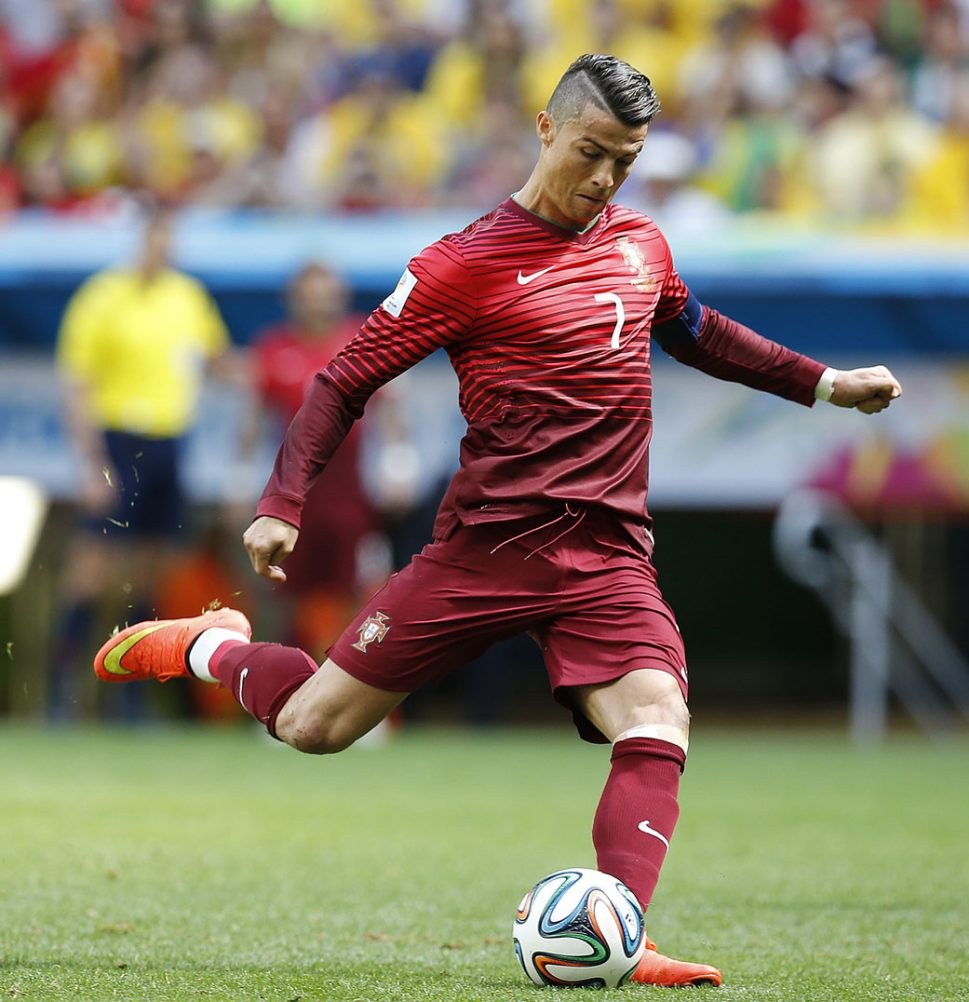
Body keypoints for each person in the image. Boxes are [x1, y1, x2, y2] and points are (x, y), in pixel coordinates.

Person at [93, 55, 902, 985]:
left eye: (625, 162)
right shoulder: (459, 265)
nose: (604, 179)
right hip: (483, 551)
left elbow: (700, 332)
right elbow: (342, 379)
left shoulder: (642, 245)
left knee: (658, 716)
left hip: (605, 555)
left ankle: (619, 930)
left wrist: (826, 383)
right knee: (315, 727)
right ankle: (211, 647)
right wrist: (281, 503)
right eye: (592, 152)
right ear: (546, 128)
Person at [52, 206, 236, 720]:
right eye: (157, 238)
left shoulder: (187, 296)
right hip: (118, 440)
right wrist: (90, 464)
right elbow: (76, 384)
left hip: (169, 441)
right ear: (142, 240)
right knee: (91, 571)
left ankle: (130, 696)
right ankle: (60, 691)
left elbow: (219, 359)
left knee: (150, 574)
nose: (164, 248)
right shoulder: (103, 296)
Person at [242, 262, 378, 653]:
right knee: (283, 588)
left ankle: (354, 691)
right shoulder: (274, 347)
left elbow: (390, 403)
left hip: (347, 487)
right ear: (294, 299)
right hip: (294, 490)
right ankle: (275, 682)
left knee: (356, 590)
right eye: (310, 293)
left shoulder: (360, 338)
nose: (319, 302)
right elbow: (254, 417)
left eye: (326, 292)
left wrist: (397, 459)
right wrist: (240, 478)